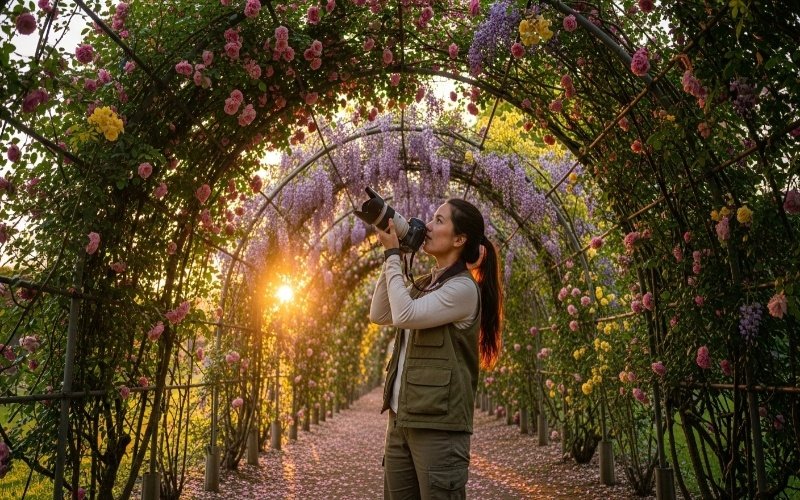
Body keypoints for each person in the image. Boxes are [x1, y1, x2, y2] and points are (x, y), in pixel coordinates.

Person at [369, 198, 503, 500]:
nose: (427, 226)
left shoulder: (462, 289)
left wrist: (392, 254)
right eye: (431, 219)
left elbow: (404, 315)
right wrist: (398, 252)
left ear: (459, 239)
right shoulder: (425, 283)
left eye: (439, 221)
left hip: (439, 430)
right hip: (401, 420)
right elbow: (380, 313)